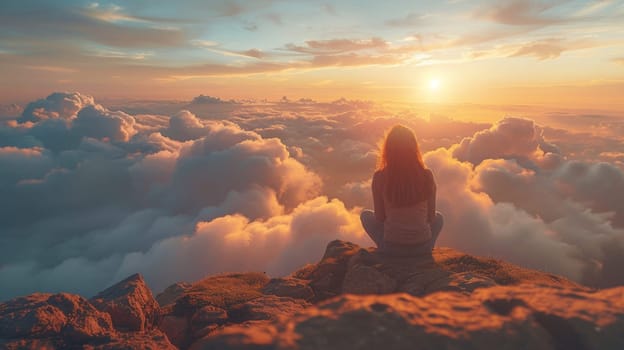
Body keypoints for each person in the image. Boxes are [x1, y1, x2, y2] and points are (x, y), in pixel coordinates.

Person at [360, 124, 443, 256]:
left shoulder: (380, 176)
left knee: (365, 215)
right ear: (413, 148)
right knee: (439, 218)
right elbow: (431, 217)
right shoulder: (427, 175)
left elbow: (380, 218)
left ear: (388, 149)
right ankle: (425, 252)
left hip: (392, 247)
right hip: (423, 246)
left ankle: (386, 250)